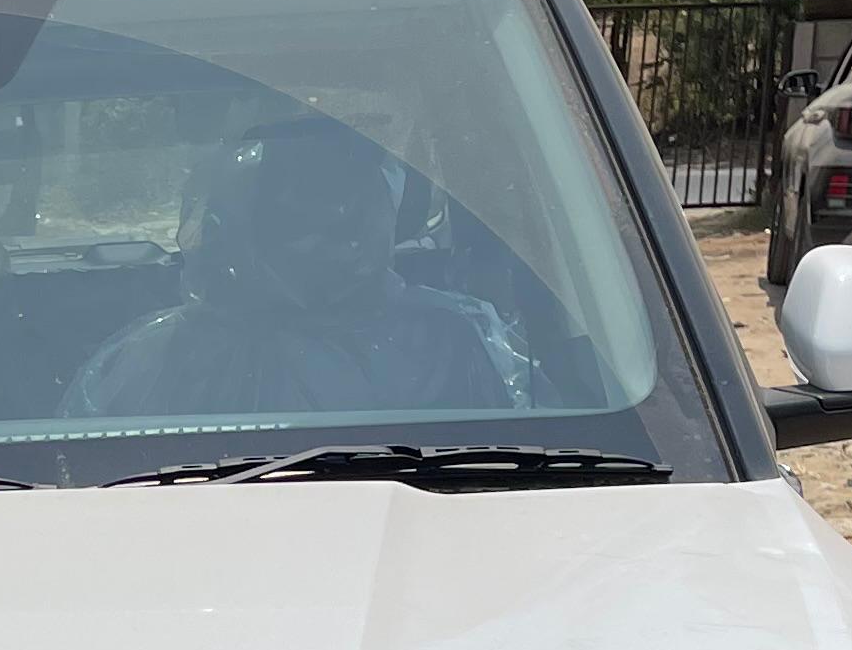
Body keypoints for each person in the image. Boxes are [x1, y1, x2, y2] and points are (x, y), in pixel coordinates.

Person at [70, 116, 519, 423]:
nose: (332, 244)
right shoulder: (156, 358)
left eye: (344, 219)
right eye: (299, 221)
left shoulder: (455, 338)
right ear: (236, 232)